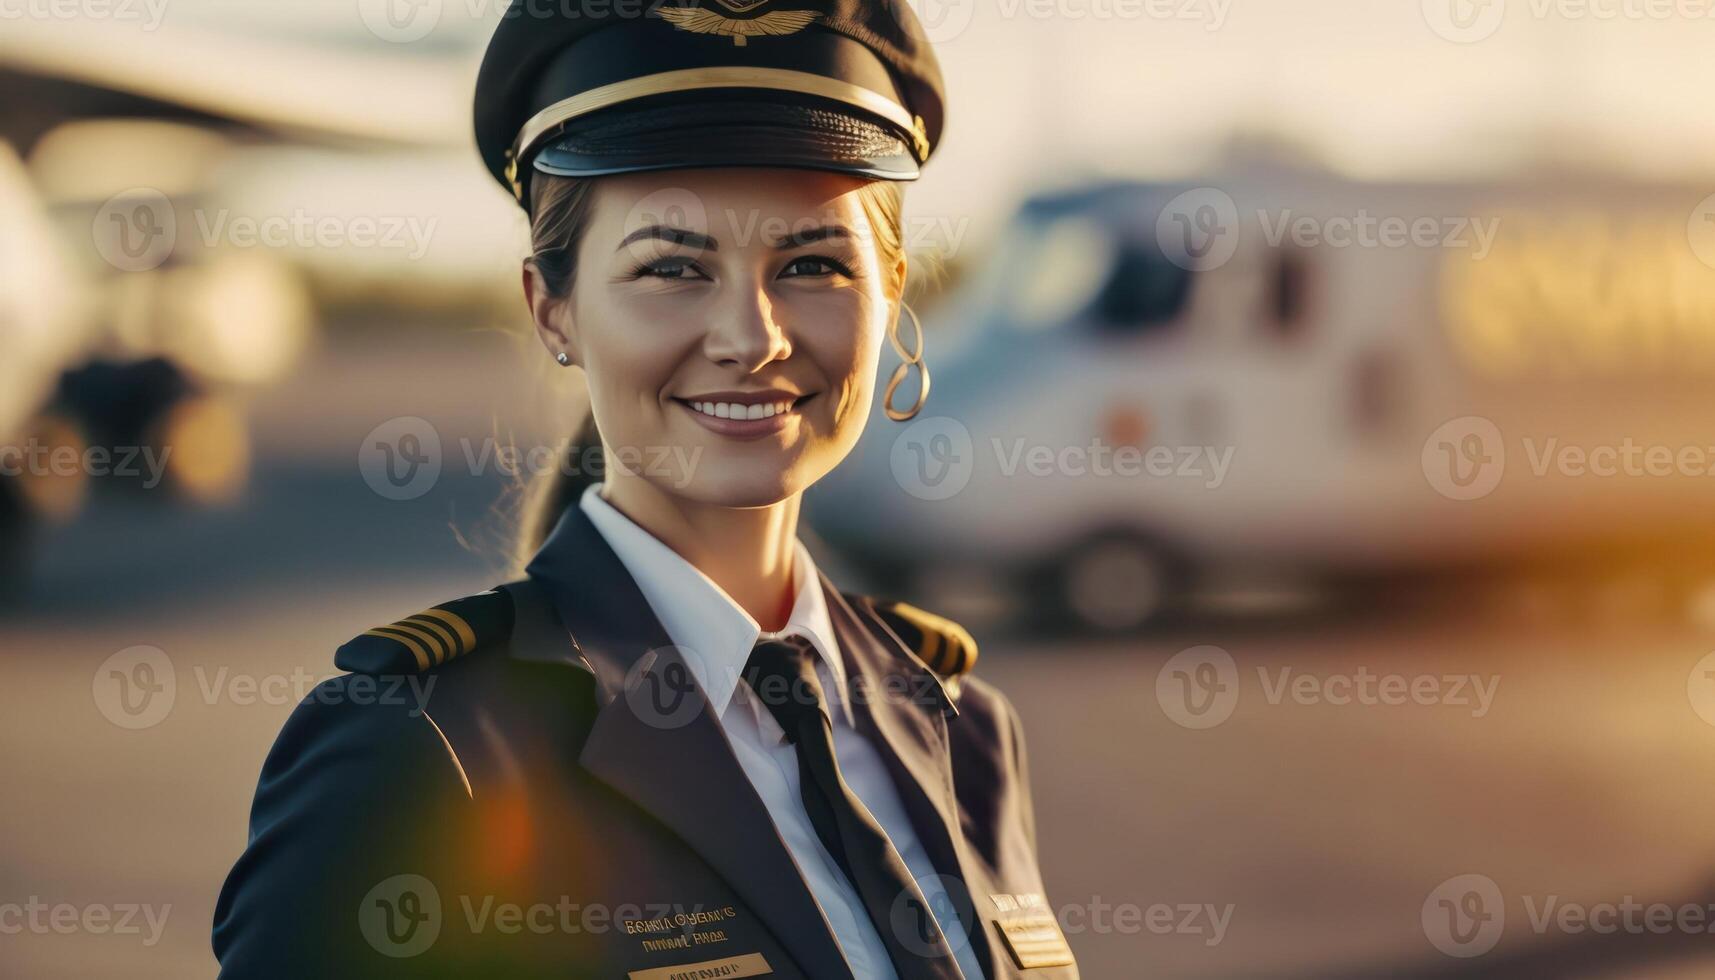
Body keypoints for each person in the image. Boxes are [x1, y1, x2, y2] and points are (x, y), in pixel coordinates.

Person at [212, 2, 1077, 977]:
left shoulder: (960, 724)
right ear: (553, 308)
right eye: (671, 265)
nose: (751, 339)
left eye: (810, 264)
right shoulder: (422, 746)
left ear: (891, 290)